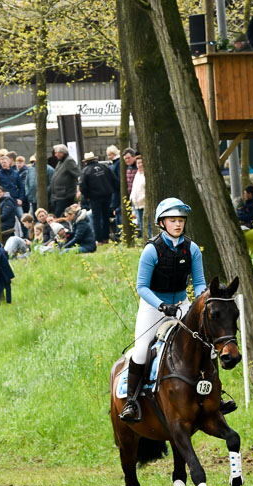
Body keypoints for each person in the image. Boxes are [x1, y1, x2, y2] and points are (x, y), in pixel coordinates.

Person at [119, 198, 206, 422]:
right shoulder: (151, 250)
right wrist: (160, 305)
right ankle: (131, 402)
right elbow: (141, 287)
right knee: (140, 350)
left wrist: (202, 301)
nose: (178, 224)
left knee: (204, 343)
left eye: (181, 220)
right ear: (162, 223)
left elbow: (199, 283)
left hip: (181, 304)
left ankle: (215, 393)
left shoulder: (192, 249)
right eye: (173, 220)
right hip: (153, 306)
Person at [79, 151, 117, 244]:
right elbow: (114, 180)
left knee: (96, 218)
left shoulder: (86, 171)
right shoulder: (104, 167)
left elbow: (82, 186)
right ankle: (106, 237)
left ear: (86, 161)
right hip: (107, 195)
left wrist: (87, 196)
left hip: (94, 197)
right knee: (105, 217)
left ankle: (99, 239)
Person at [50, 144, 80, 217]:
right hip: (58, 195)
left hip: (65, 195)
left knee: (61, 215)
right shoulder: (61, 162)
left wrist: (79, 189)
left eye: (56, 152)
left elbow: (78, 175)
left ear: (62, 153)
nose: (55, 154)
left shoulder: (69, 161)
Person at [129, 155, 151, 238]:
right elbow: (134, 188)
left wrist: (143, 197)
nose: (140, 164)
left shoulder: (146, 174)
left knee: (147, 224)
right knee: (141, 225)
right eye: (138, 163)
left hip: (144, 203)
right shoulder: (137, 174)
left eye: (141, 162)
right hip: (137, 204)